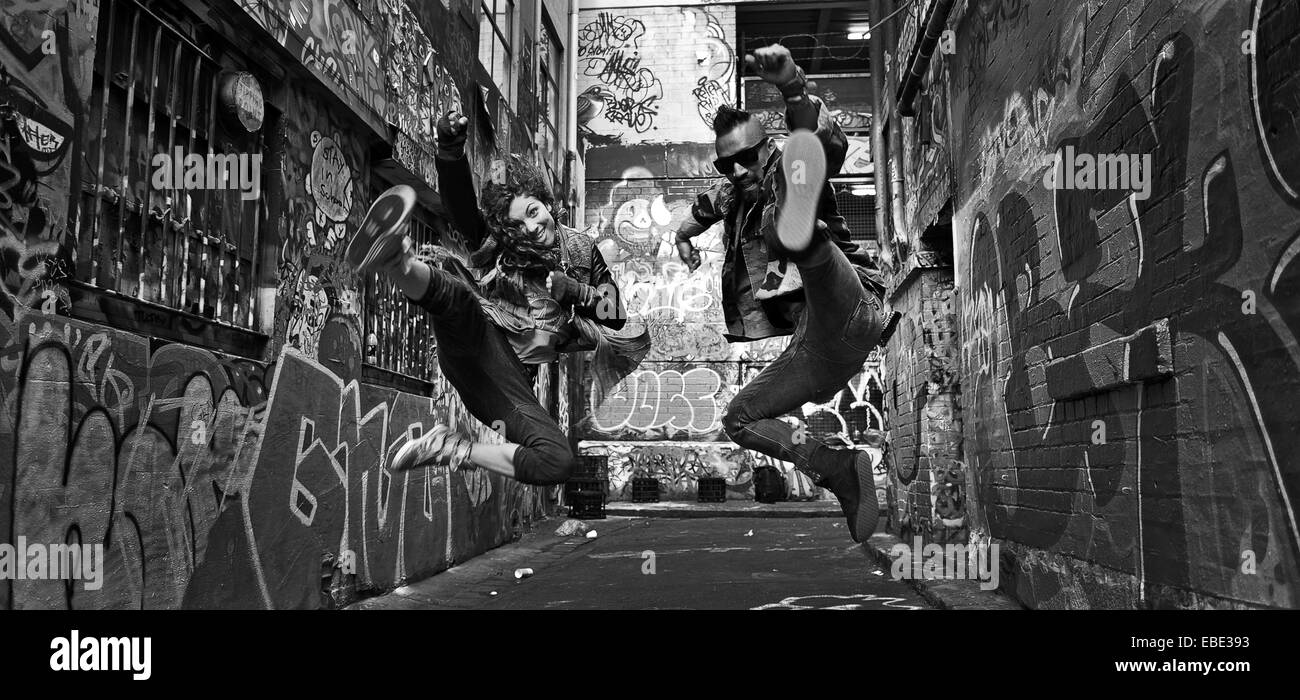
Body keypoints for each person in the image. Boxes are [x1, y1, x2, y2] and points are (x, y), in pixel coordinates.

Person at [345, 111, 649, 484]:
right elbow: (462, 212)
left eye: (534, 213)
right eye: (519, 224)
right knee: (458, 299)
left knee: (556, 461)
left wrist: (576, 292)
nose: (533, 229)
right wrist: (451, 152)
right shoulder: (504, 245)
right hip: (474, 341)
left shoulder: (583, 251)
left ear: (546, 202)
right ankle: (396, 260)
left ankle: (449, 448)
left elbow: (615, 314)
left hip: (503, 382)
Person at [674, 43, 898, 543]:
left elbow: (825, 145)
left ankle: (800, 229)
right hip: (821, 349)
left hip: (855, 302)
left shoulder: (779, 166)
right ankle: (838, 470)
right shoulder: (735, 189)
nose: (737, 171)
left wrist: (793, 87)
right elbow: (703, 208)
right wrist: (682, 238)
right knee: (741, 417)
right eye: (726, 164)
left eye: (747, 159)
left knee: (795, 197)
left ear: (767, 148)